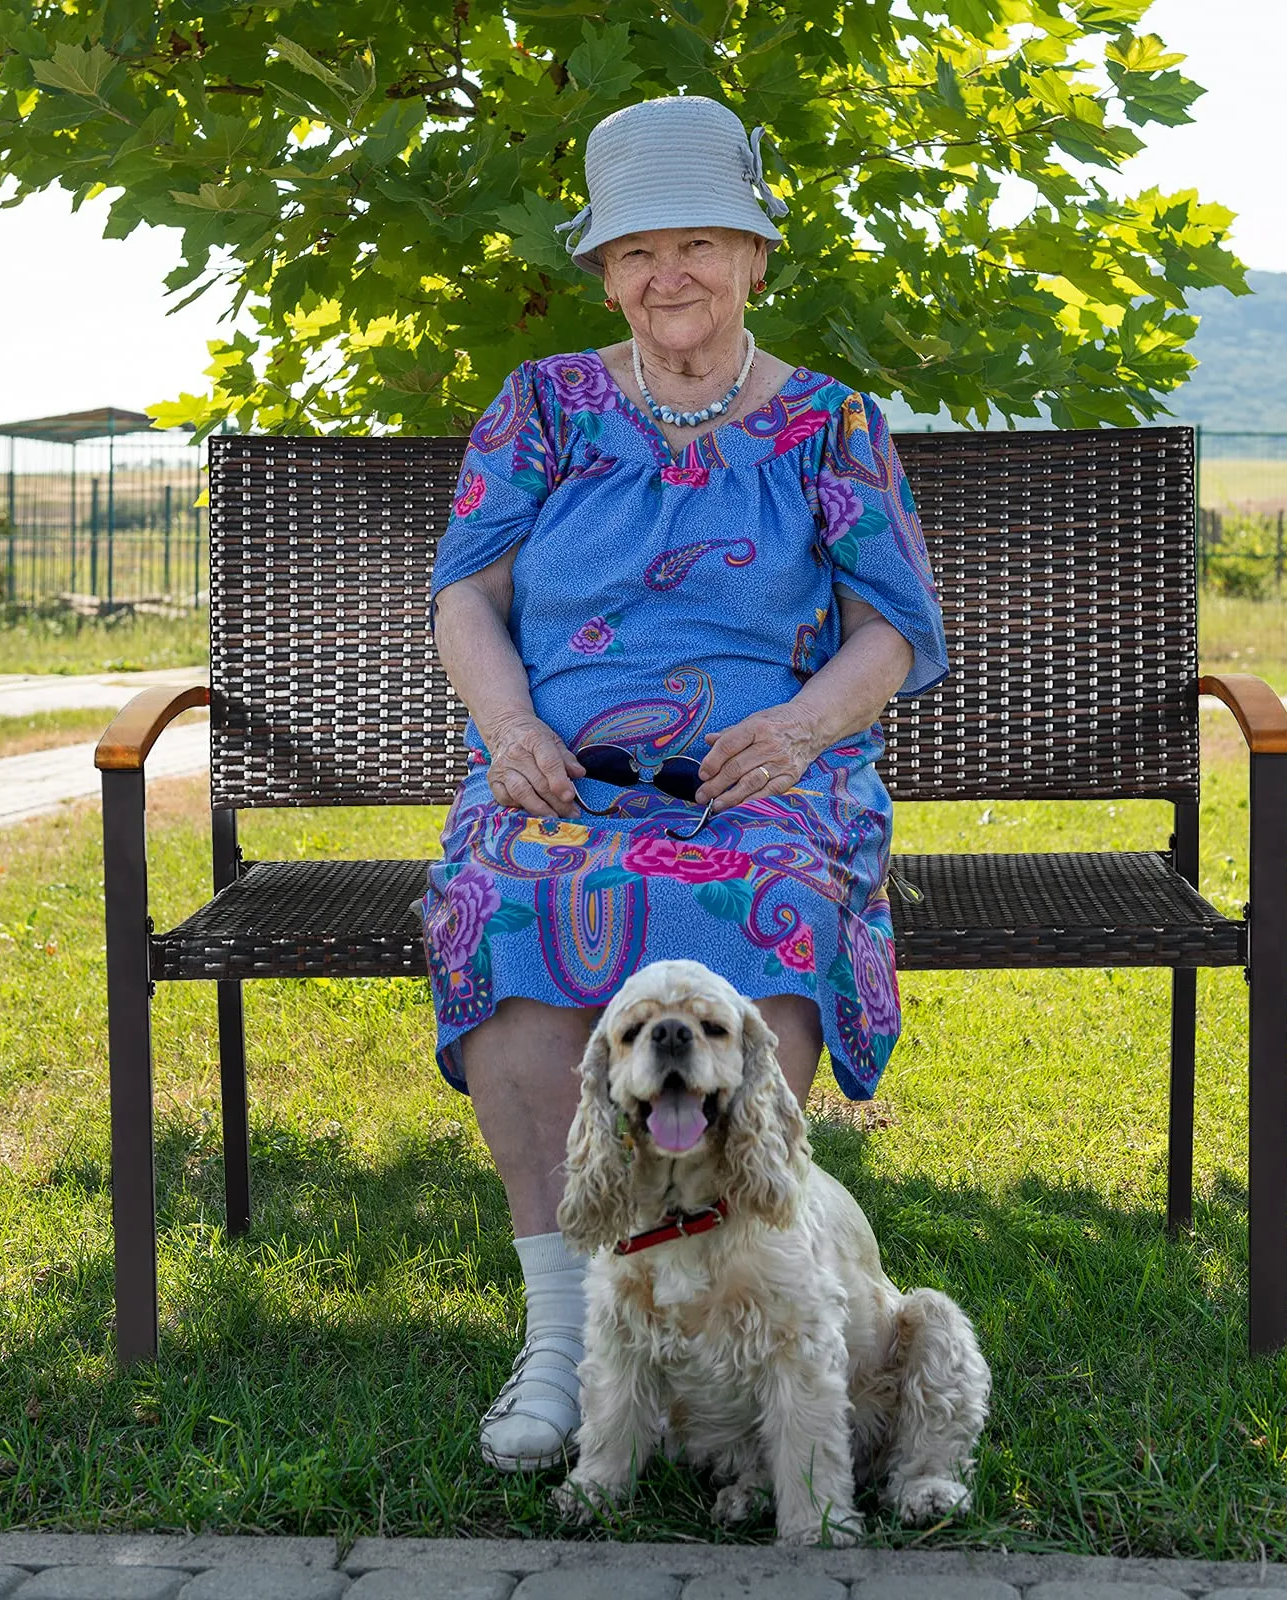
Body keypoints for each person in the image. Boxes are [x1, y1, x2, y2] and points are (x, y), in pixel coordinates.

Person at [422, 95, 948, 1472]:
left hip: (765, 779)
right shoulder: (543, 410)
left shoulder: (832, 426)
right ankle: (563, 1337)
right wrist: (509, 725)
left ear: (757, 261)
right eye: (639, 249)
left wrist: (797, 732)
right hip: (563, 770)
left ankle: (742, 1312)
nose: (671, 275)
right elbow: (466, 593)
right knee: (513, 903)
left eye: (702, 244)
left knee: (767, 905)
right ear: (603, 270)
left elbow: (893, 627)